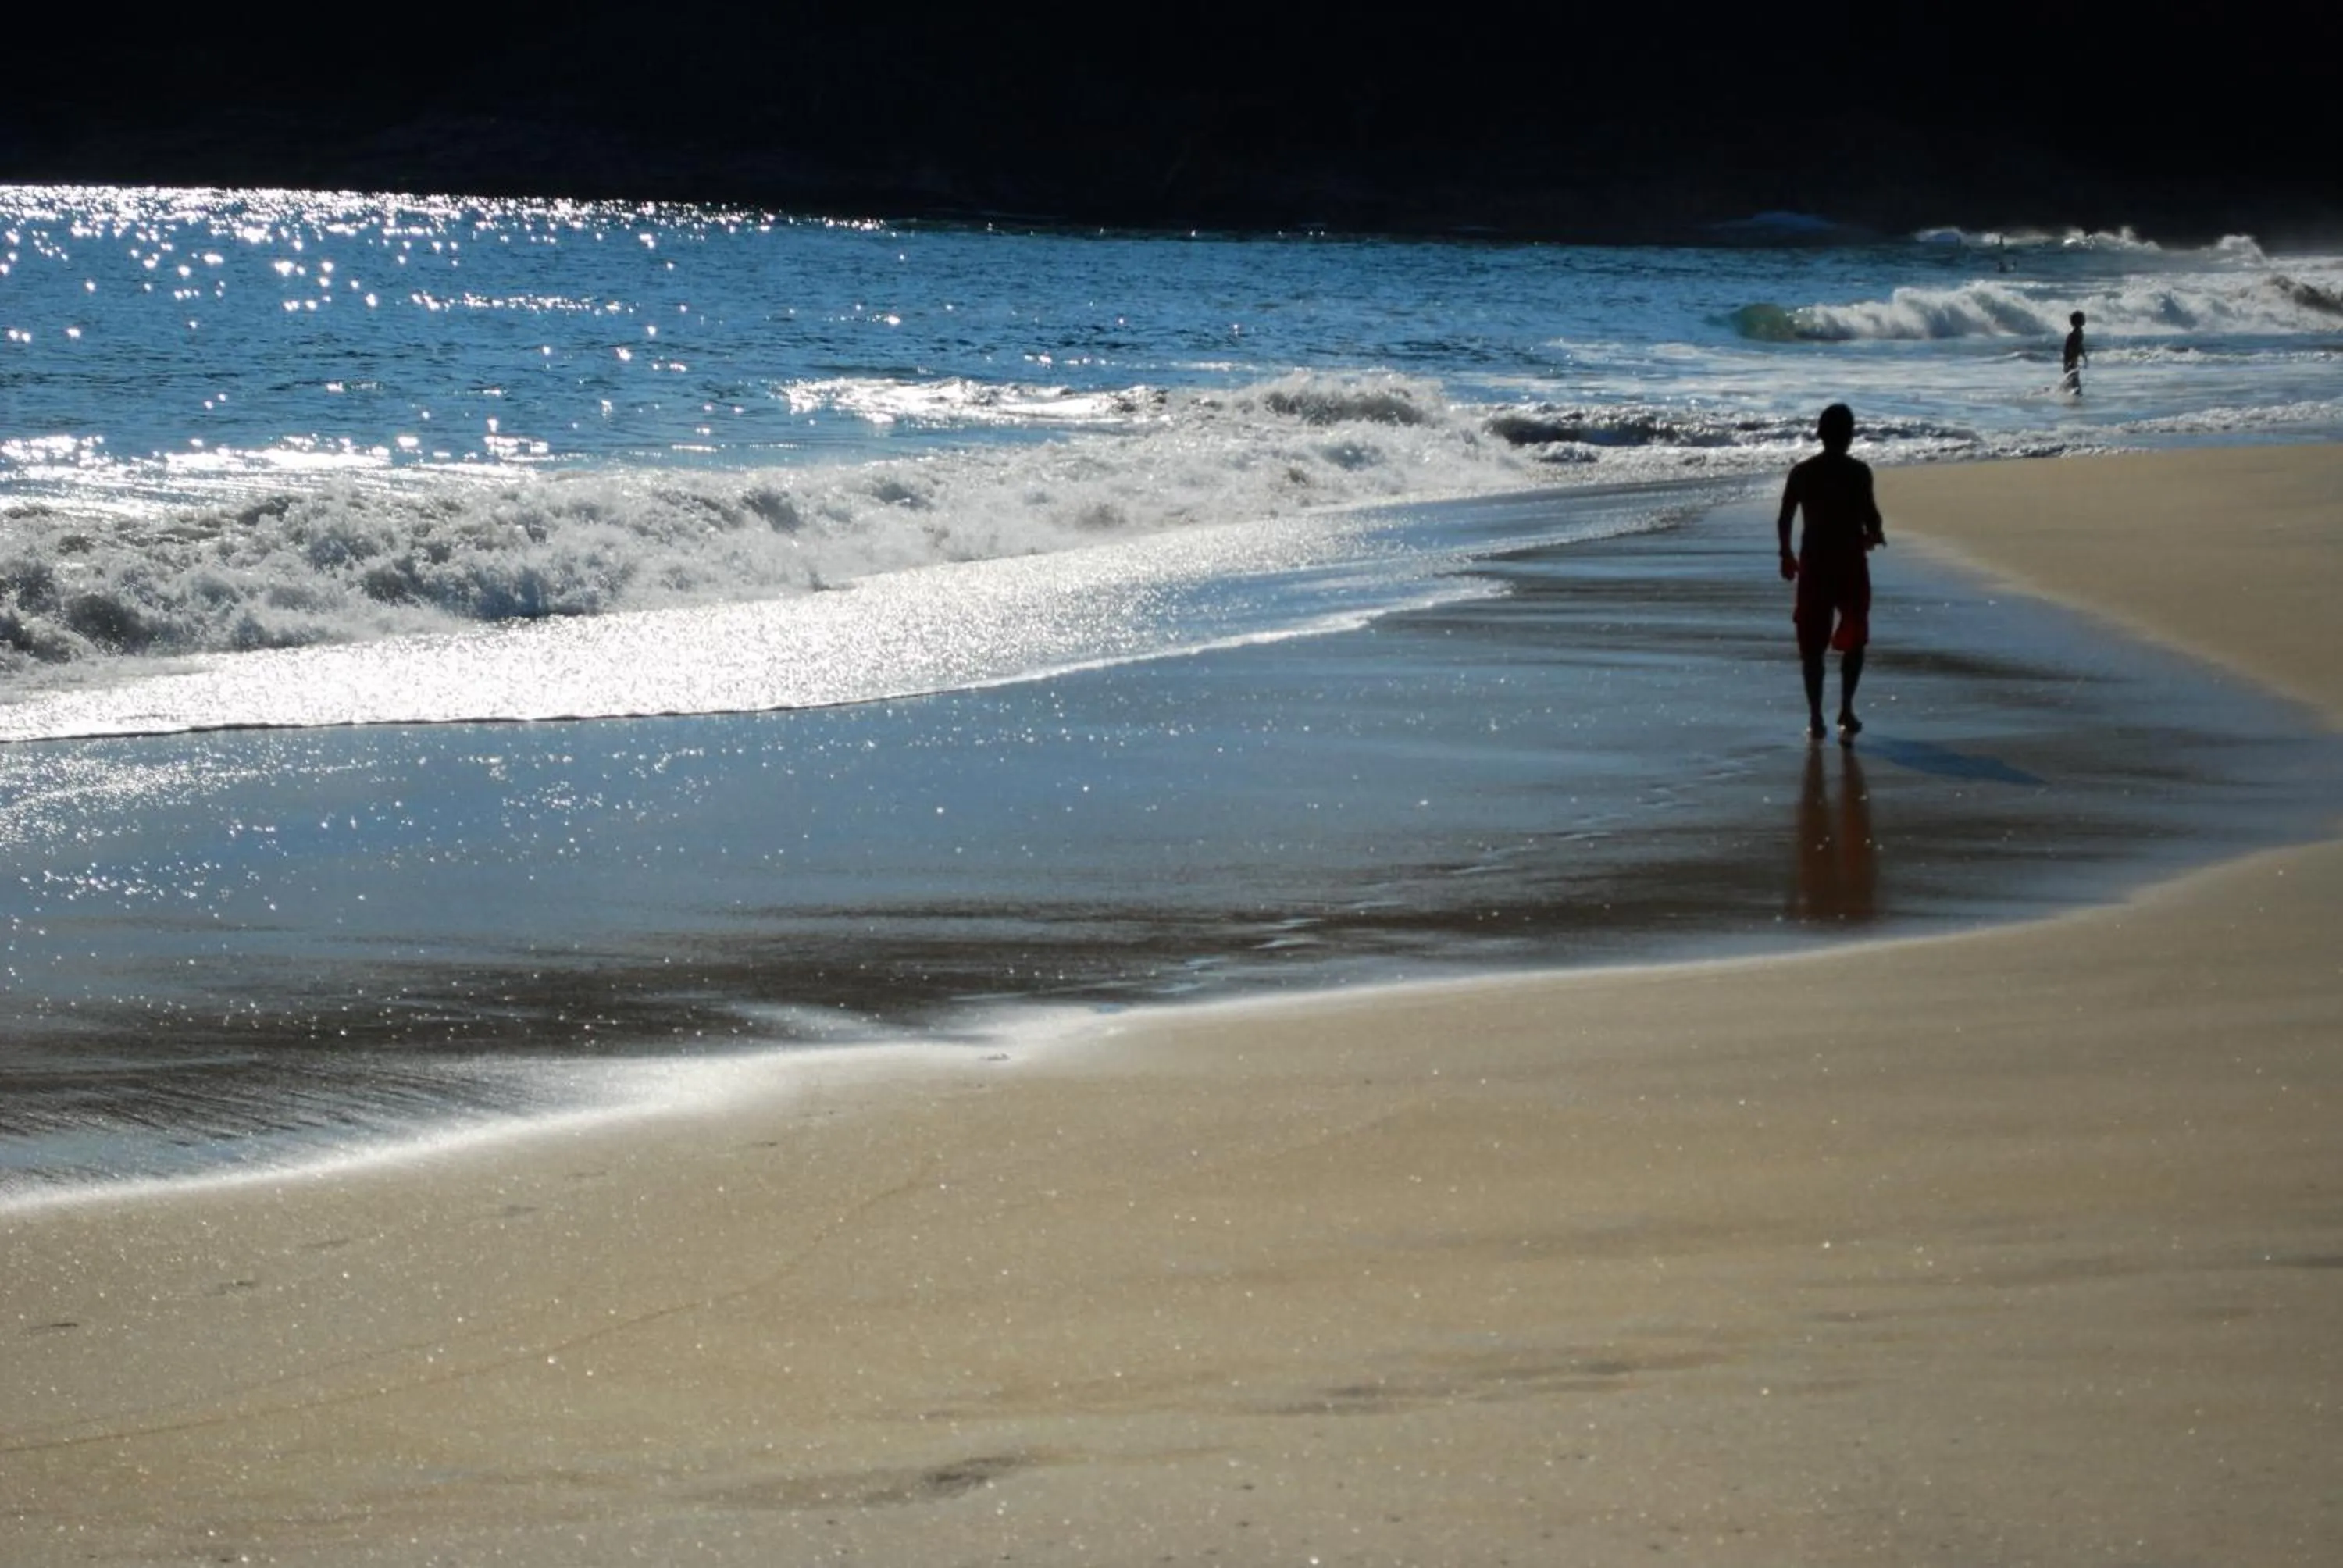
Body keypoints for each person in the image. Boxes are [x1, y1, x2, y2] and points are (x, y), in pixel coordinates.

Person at [1776, 403, 1885, 742]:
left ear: (1820, 433)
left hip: (1815, 564)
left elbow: (1785, 518)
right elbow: (1871, 516)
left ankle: (1815, 717)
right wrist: (1874, 536)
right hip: (1850, 563)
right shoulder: (1858, 472)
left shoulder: (1802, 472)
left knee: (1812, 646)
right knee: (1855, 639)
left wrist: (1786, 554)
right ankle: (1846, 709)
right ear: (1850, 435)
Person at [2061, 309, 2088, 394]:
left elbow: (2069, 348)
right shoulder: (2077, 333)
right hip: (2072, 359)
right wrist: (2084, 356)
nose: (2085, 320)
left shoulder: (2075, 333)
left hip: (2071, 358)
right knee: (2074, 380)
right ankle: (2075, 393)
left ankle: (2070, 393)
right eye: (2083, 319)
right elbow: (2078, 347)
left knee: (2071, 378)